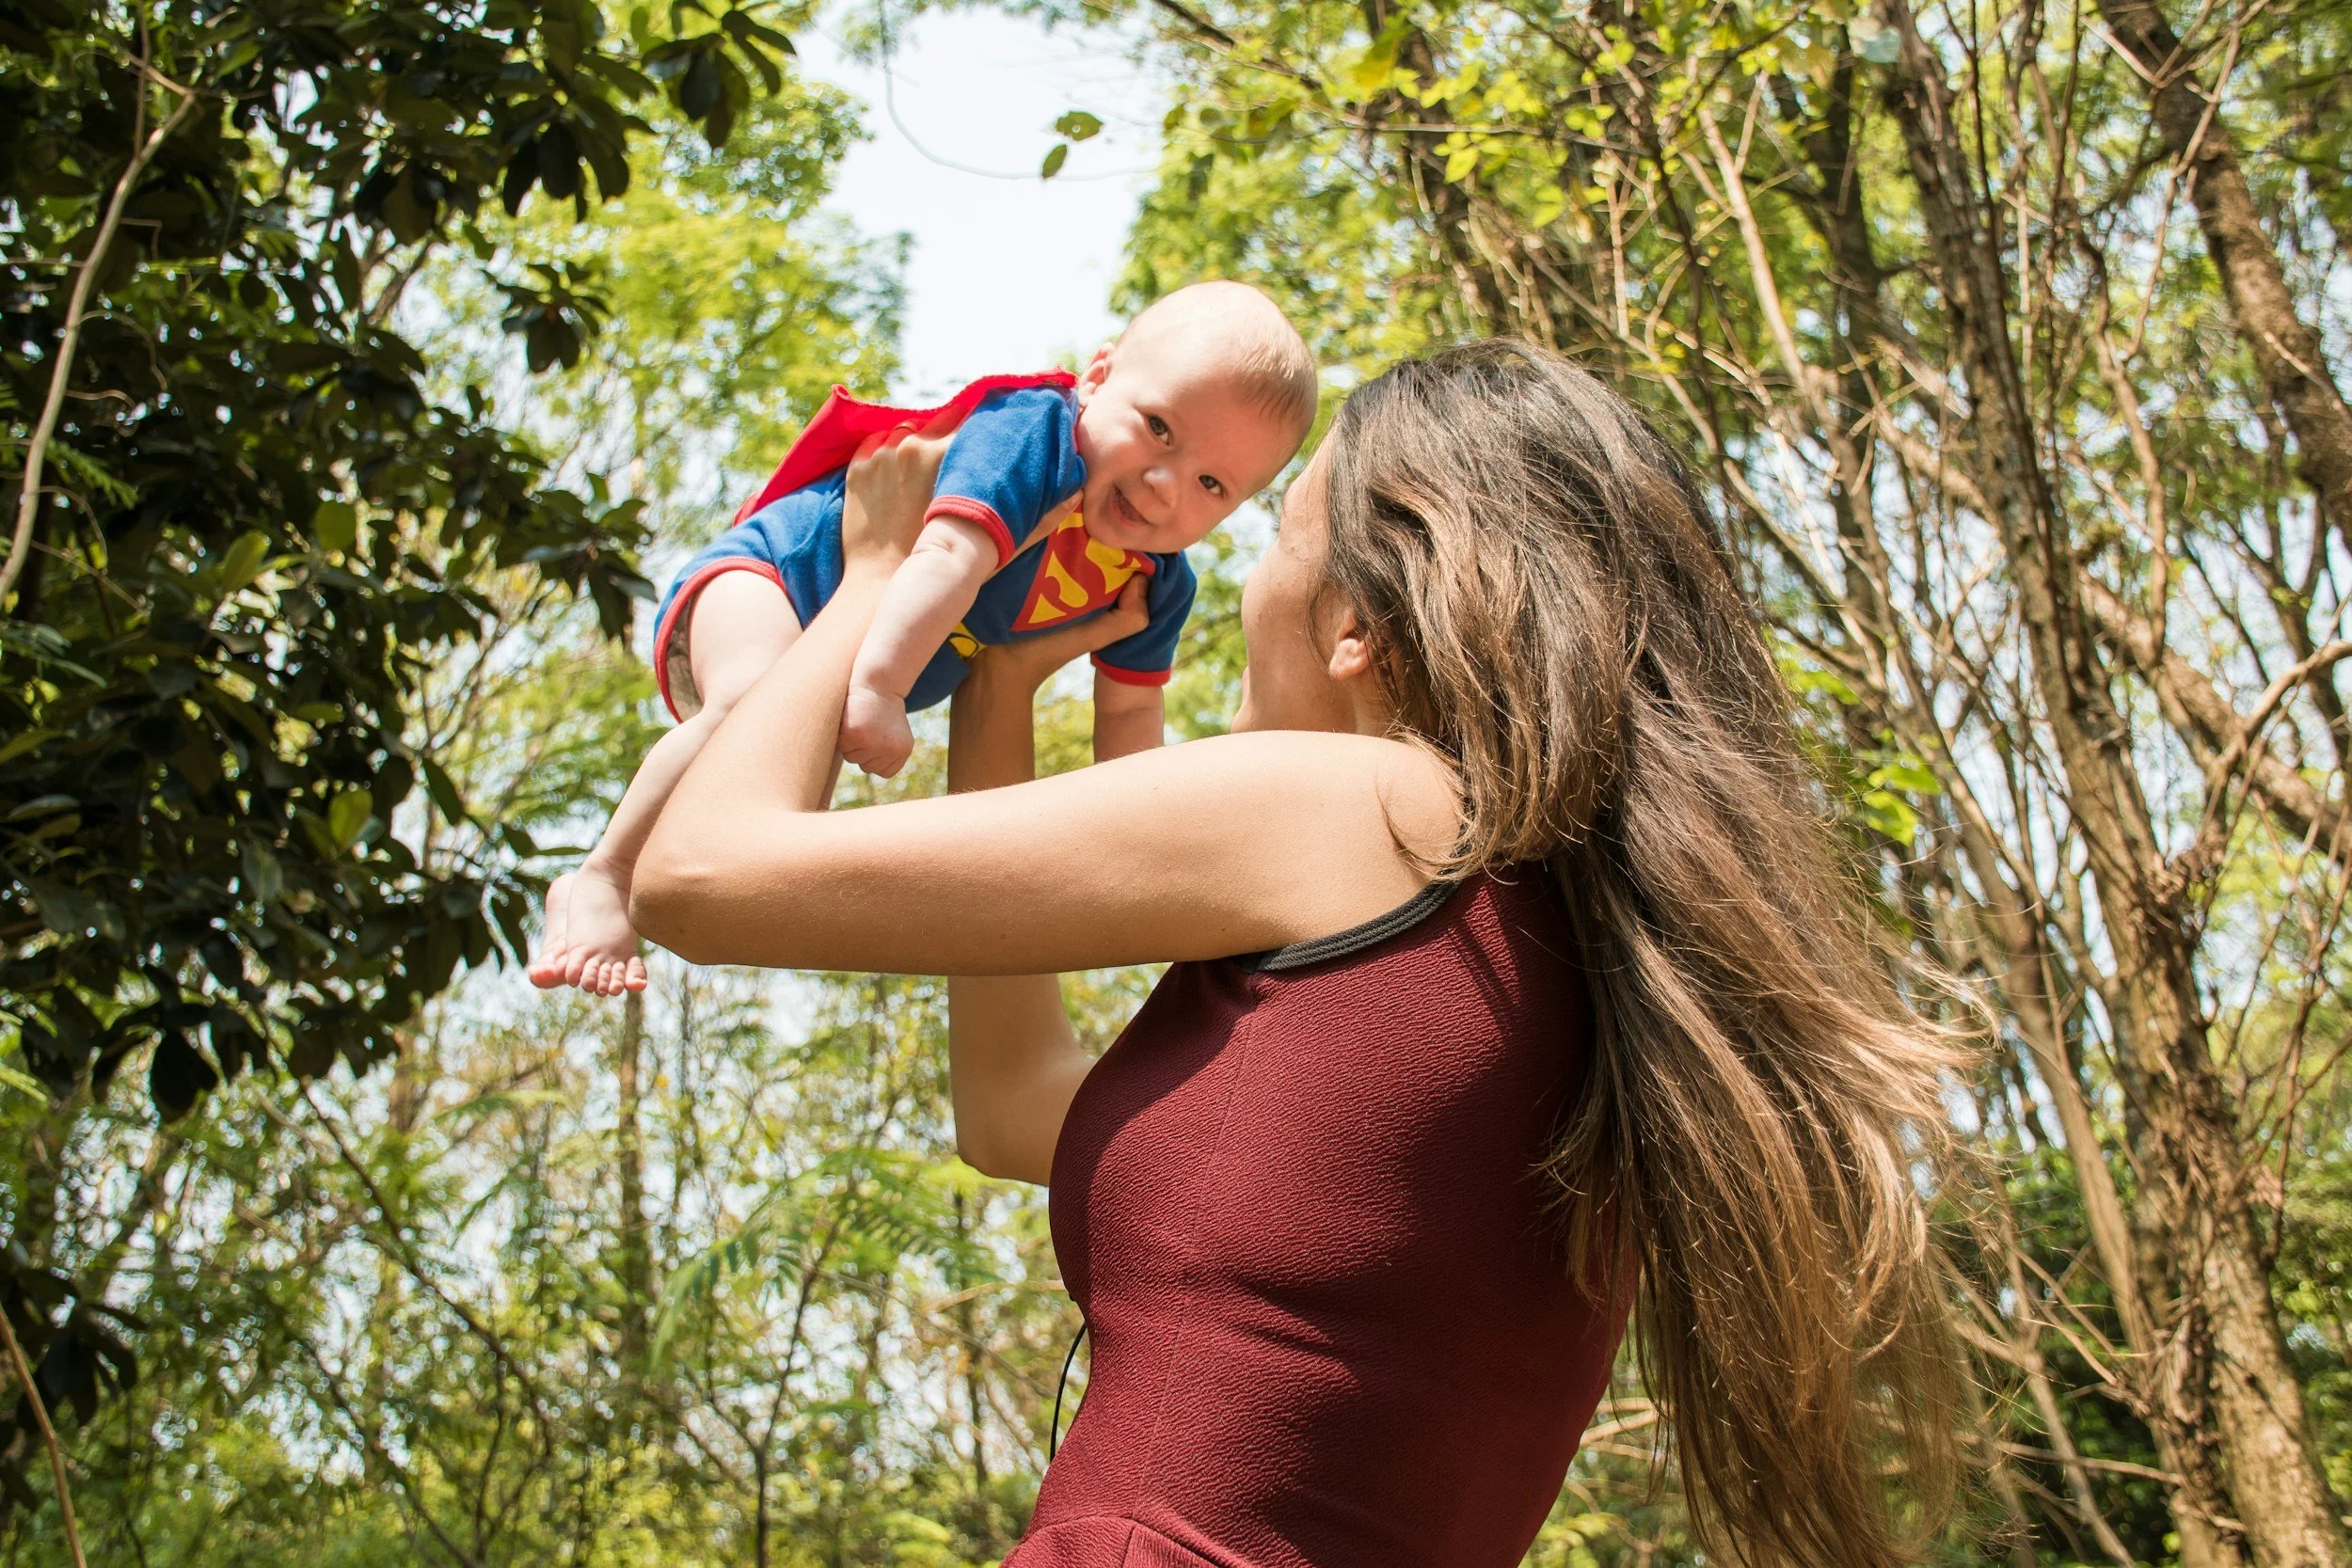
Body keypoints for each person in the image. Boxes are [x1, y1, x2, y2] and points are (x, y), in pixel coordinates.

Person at [629, 340, 1964, 1568]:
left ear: (1354, 624)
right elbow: (1015, 1107)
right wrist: (1002, 686)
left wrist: (874, 572)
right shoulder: (1567, 952)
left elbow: (701, 874)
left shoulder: (1364, 807)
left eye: (1274, 532)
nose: (1241, 575)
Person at [530, 280, 1316, 996]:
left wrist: (1154, 857)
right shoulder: (1034, 438)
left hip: (842, 656)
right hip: (775, 576)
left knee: (779, 809)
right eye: (1159, 429)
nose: (1165, 484)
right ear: (1099, 376)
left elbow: (1130, 726)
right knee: (747, 700)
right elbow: (945, 555)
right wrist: (880, 687)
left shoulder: (1154, 583)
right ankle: (603, 874)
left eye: (1213, 484)